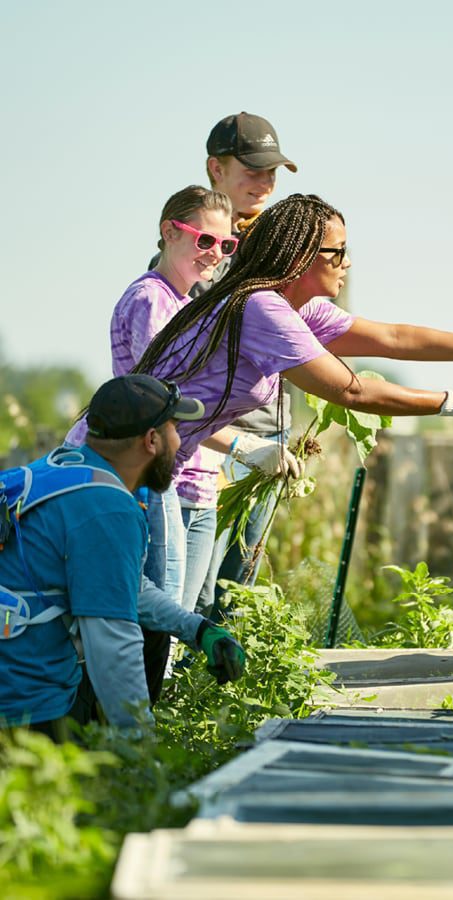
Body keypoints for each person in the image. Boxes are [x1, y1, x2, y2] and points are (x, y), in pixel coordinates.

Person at [130, 193, 453, 574]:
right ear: (302, 257)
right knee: (155, 622)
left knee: (161, 621)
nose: (347, 262)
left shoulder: (293, 309)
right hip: (129, 466)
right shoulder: (262, 308)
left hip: (155, 466)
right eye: (338, 251)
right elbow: (351, 390)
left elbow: (394, 339)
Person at [0, 375, 239, 738]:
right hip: (29, 708)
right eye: (176, 428)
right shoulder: (107, 509)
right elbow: (112, 642)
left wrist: (197, 629)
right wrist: (141, 750)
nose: (181, 442)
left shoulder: (66, 469)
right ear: (152, 440)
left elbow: (122, 583)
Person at [114, 185, 234, 616]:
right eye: (205, 239)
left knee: (182, 623)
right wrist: (241, 444)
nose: (215, 252)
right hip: (162, 479)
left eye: (226, 244)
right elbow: (165, 403)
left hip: (196, 483)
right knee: (165, 621)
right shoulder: (151, 299)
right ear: (170, 231)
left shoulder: (183, 303)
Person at [198, 112, 299, 615]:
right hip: (214, 439)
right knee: (196, 588)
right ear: (216, 169)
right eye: (252, 169)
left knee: (238, 586)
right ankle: (179, 690)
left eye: (271, 172)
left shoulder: (282, 242)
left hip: (269, 437)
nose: (264, 181)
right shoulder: (197, 245)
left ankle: (216, 691)